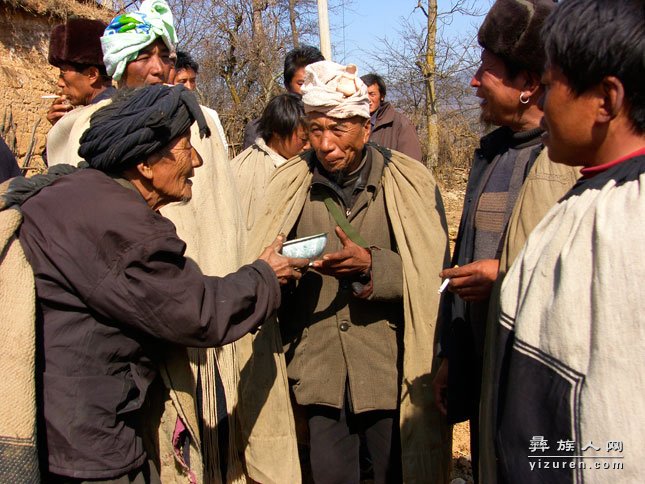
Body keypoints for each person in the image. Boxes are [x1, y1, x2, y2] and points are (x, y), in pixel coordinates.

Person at [0, 84, 308, 482]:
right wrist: (266, 275)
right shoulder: (124, 231)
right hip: (91, 444)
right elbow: (196, 312)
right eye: (185, 148)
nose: (197, 161)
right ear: (146, 164)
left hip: (61, 424)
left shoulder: (75, 191)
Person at [44, 1, 248, 481]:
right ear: (116, 66)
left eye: (165, 55)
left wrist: (219, 294)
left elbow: (224, 217)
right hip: (128, 329)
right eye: (142, 55)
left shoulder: (204, 122)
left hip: (204, 310)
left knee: (212, 442)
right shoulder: (81, 128)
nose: (157, 67)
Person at [239, 60, 452, 483]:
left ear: (366, 128)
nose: (326, 144)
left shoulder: (408, 181)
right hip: (318, 373)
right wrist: (281, 275)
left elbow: (433, 275)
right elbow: (259, 264)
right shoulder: (287, 184)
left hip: (388, 372)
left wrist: (373, 266)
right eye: (316, 130)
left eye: (338, 129)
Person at [484, 0, 645, 482]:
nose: (544, 104)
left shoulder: (625, 221)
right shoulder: (589, 199)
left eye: (552, 86)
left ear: (607, 100)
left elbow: (615, 427)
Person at [430, 1, 579, 482]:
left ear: (528, 84)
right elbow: (467, 257)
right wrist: (452, 355)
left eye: (486, 71)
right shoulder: (491, 154)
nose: (474, 81)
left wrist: (504, 275)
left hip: (538, 380)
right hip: (486, 370)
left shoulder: (572, 163)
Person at [232, 93, 309, 233]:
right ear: (277, 132)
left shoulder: (309, 164)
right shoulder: (244, 170)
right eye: (303, 139)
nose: (309, 146)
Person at [242, 45, 324, 149]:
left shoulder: (334, 124)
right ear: (287, 85)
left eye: (314, 83)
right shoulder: (259, 130)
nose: (308, 89)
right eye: (301, 83)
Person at [46, 18, 115, 126]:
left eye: (63, 73)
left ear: (92, 75)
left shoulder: (107, 118)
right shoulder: (113, 108)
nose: (60, 83)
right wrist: (61, 128)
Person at [173, 50, 229, 153]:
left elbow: (223, 150)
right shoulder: (160, 115)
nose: (189, 87)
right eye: (182, 81)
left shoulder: (210, 115)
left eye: (192, 81)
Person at [360, 73, 423, 161]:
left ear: (382, 96)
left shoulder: (401, 124)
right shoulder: (351, 123)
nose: (367, 99)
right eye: (363, 95)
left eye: (372, 94)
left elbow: (412, 164)